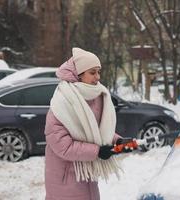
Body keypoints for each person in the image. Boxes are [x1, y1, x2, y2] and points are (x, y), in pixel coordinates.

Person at [44, 47, 123, 200]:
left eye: (98, 72)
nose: (98, 77)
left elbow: (97, 131)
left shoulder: (96, 97)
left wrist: (117, 140)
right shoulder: (62, 103)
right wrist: (97, 151)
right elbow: (63, 146)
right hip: (65, 179)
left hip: (87, 175)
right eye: (92, 72)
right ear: (78, 75)